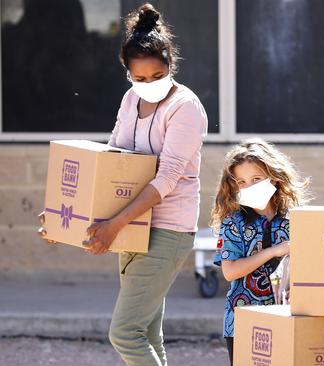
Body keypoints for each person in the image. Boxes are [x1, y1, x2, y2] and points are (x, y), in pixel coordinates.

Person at [39, 4, 208, 365]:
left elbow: (166, 177)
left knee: (124, 332)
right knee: (146, 333)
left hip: (167, 228)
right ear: (128, 75)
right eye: (140, 78)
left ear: (170, 66)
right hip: (132, 225)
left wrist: (113, 225)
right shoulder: (131, 100)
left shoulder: (186, 107)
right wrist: (61, 219)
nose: (148, 86)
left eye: (157, 75)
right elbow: (111, 161)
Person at [210, 138, 310, 365]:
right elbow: (230, 271)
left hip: (288, 317)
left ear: (273, 177)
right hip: (241, 321)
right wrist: (275, 251)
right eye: (242, 182)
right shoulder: (232, 223)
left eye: (256, 179)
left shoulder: (296, 218)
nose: (249, 186)